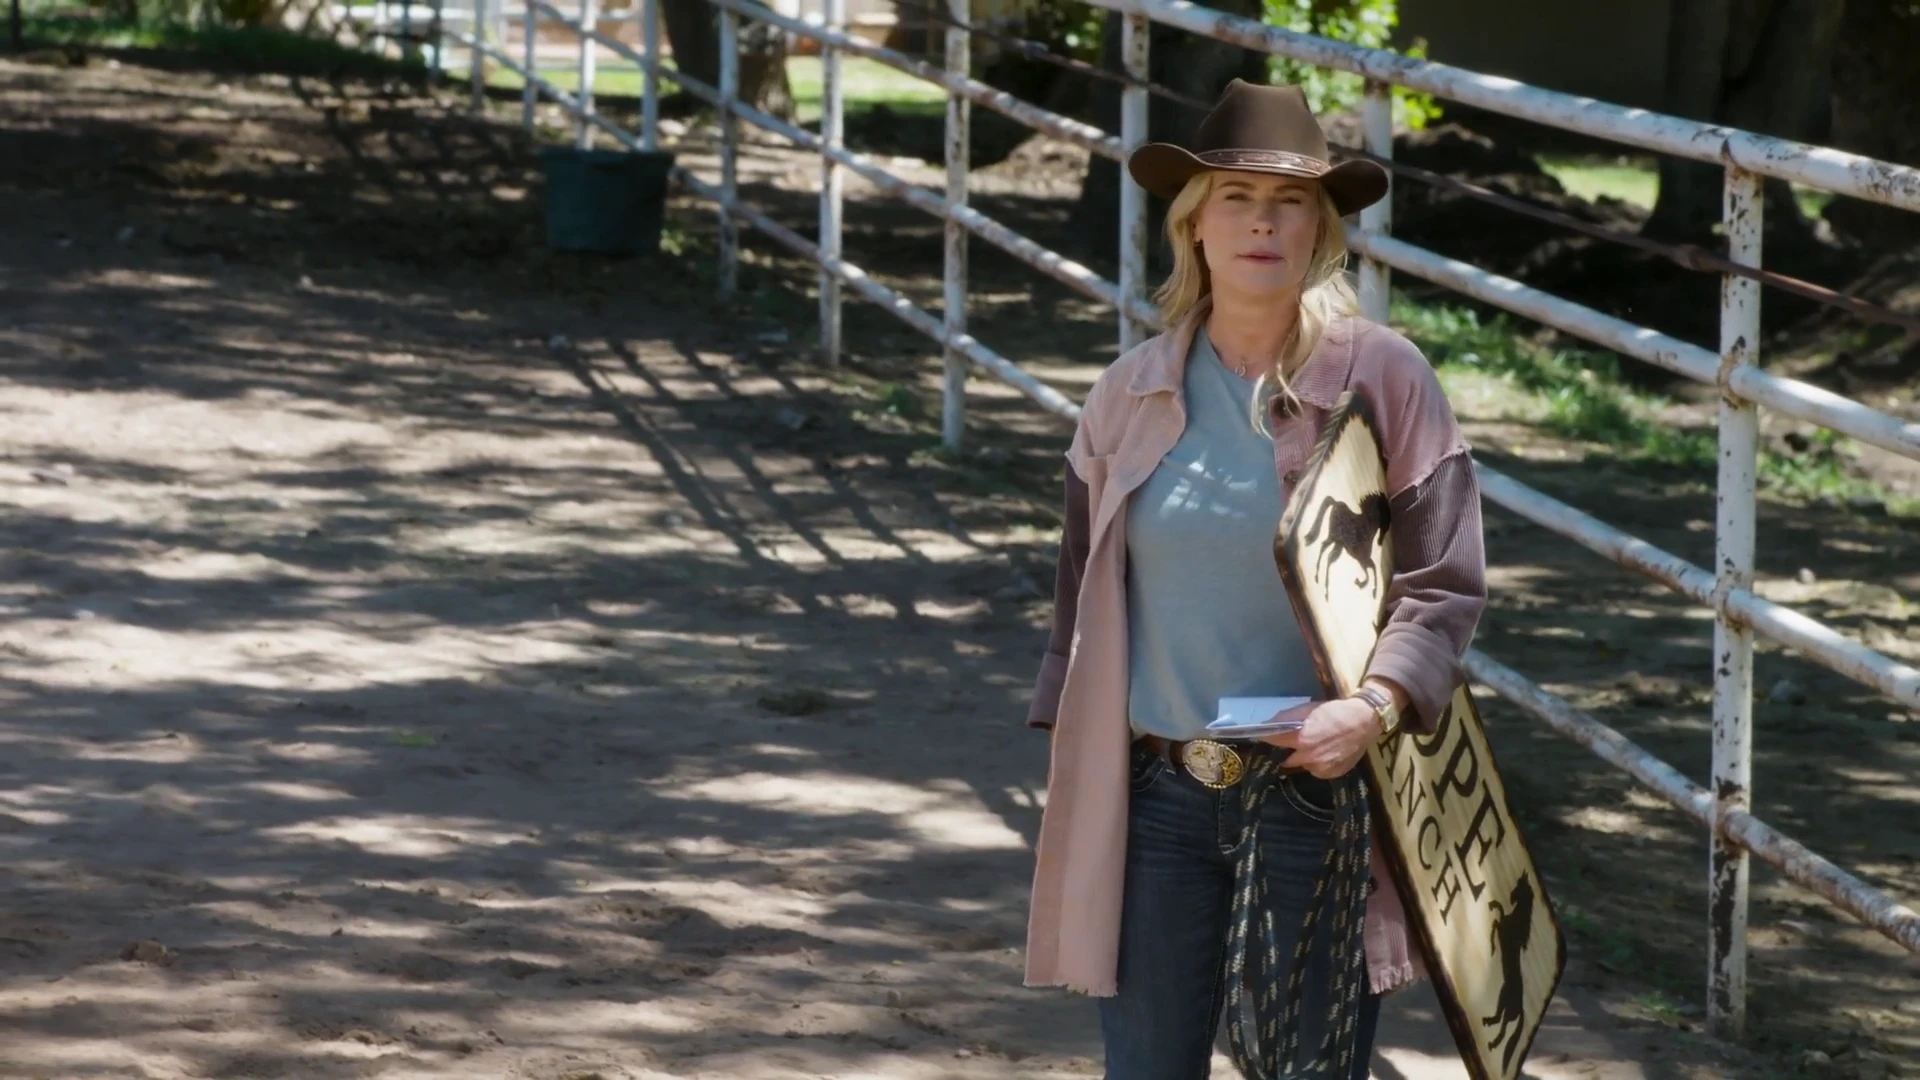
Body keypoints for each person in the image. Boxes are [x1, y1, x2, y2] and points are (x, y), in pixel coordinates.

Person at [1022, 79, 1488, 1080]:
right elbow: (1080, 595)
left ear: (1320, 229)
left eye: (1289, 202)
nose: (1262, 222)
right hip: (1159, 795)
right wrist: (1076, 740)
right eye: (1235, 198)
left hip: (1315, 794)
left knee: (1306, 1069)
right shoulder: (1128, 393)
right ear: (1194, 225)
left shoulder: (1386, 378)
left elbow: (1445, 583)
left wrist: (1373, 706)